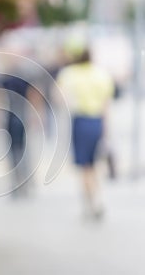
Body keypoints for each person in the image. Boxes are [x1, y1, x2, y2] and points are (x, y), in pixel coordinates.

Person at [57, 49, 114, 219]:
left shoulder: (70, 74)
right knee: (95, 164)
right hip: (97, 121)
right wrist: (106, 129)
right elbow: (106, 104)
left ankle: (91, 202)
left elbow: (58, 96)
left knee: (85, 166)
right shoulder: (100, 74)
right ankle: (98, 198)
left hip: (81, 120)